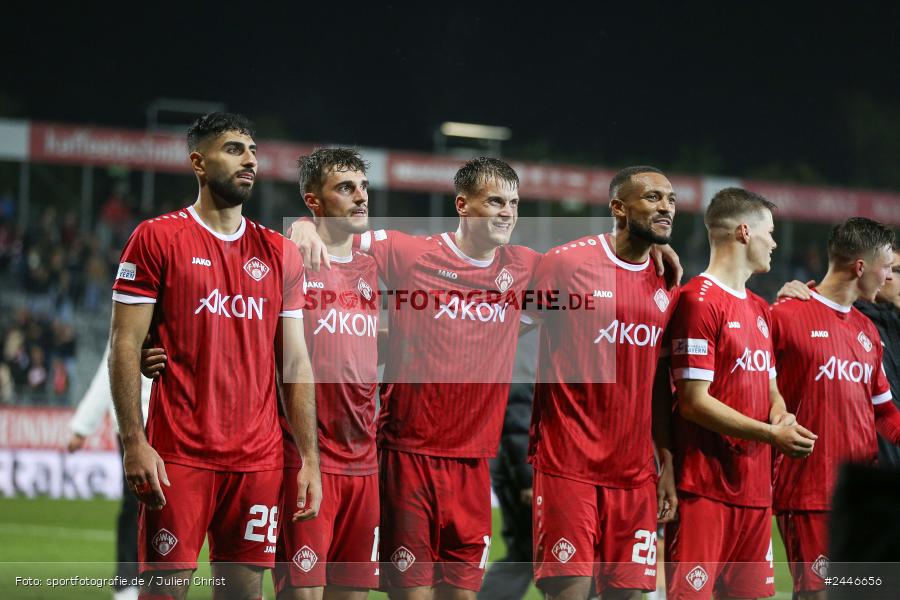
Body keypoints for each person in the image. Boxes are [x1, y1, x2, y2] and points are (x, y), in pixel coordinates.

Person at [108, 112, 320, 600]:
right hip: (179, 457)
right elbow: (124, 344)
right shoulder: (157, 237)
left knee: (244, 593)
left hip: (258, 462)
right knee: (164, 591)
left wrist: (309, 458)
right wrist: (134, 442)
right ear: (198, 163)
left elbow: (295, 364)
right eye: (233, 149)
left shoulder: (279, 252)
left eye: (253, 151)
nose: (249, 160)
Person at [528, 166, 679, 600]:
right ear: (618, 208)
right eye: (652, 198)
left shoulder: (668, 281)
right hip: (568, 466)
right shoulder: (566, 263)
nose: (666, 207)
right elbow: (503, 330)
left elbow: (658, 385)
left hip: (635, 476)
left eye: (670, 199)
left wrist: (666, 463)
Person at [665, 187, 818, 599]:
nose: (775, 243)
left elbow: (772, 389)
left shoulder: (759, 308)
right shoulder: (697, 301)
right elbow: (693, 402)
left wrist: (781, 415)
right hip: (704, 489)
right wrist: (771, 435)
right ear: (745, 232)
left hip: (753, 492)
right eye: (770, 232)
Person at [770, 217, 900, 599]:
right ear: (860, 267)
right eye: (886, 267)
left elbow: (883, 413)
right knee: (819, 594)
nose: (887, 277)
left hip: (858, 500)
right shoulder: (784, 316)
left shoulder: (867, 331)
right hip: (808, 492)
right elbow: (757, 390)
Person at [67, 344, 151, 600]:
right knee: (134, 504)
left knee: (169, 510)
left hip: (172, 424)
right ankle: (127, 583)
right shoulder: (128, 323)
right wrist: (82, 427)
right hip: (133, 427)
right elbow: (110, 369)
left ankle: (158, 581)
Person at [478, 327, 538, 600]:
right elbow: (518, 420)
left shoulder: (522, 345)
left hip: (514, 465)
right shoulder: (526, 349)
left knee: (528, 554)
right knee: (530, 553)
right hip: (520, 469)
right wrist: (527, 479)